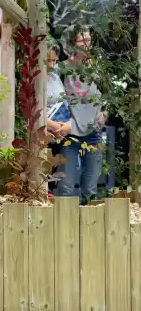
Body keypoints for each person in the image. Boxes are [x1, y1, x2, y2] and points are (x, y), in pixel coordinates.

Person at [56, 25, 106, 202]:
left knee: (90, 189)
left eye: (89, 41)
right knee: (66, 187)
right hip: (70, 134)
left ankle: (91, 229)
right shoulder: (61, 69)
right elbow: (52, 98)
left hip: (94, 133)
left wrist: (105, 113)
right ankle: (63, 228)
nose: (87, 45)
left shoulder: (98, 67)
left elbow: (110, 95)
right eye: (82, 41)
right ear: (71, 43)